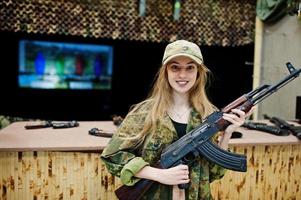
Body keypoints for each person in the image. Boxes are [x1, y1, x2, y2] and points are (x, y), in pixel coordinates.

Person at [101, 40, 252, 200]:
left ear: (198, 72)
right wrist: (159, 174)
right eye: (175, 67)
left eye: (190, 68)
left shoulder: (208, 114)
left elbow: (213, 174)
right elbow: (112, 156)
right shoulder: (144, 113)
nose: (182, 75)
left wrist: (227, 134)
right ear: (165, 71)